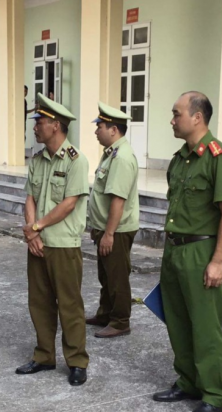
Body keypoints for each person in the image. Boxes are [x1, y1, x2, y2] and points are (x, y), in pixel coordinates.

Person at [153, 92, 222, 412]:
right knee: (177, 321)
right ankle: (188, 382)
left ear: (197, 117)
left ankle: (215, 394)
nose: (172, 120)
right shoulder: (179, 159)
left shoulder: (220, 157)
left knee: (205, 327)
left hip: (201, 251)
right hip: (173, 250)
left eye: (176, 114)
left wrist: (218, 261)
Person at [16, 93, 90, 386]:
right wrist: (33, 232)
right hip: (38, 243)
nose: (35, 126)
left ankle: (77, 362)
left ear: (55, 125)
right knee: (40, 302)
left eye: (40, 121)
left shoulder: (76, 160)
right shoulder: (37, 160)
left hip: (63, 244)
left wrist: (37, 226)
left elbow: (69, 203)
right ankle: (44, 355)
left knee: (69, 305)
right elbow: (30, 197)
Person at [86, 102, 139, 338]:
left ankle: (120, 321)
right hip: (106, 228)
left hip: (116, 230)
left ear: (113, 130)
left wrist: (108, 233)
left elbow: (118, 200)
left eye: (100, 126)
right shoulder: (111, 155)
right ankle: (106, 313)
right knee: (106, 274)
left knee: (117, 276)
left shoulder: (121, 158)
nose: (96, 131)